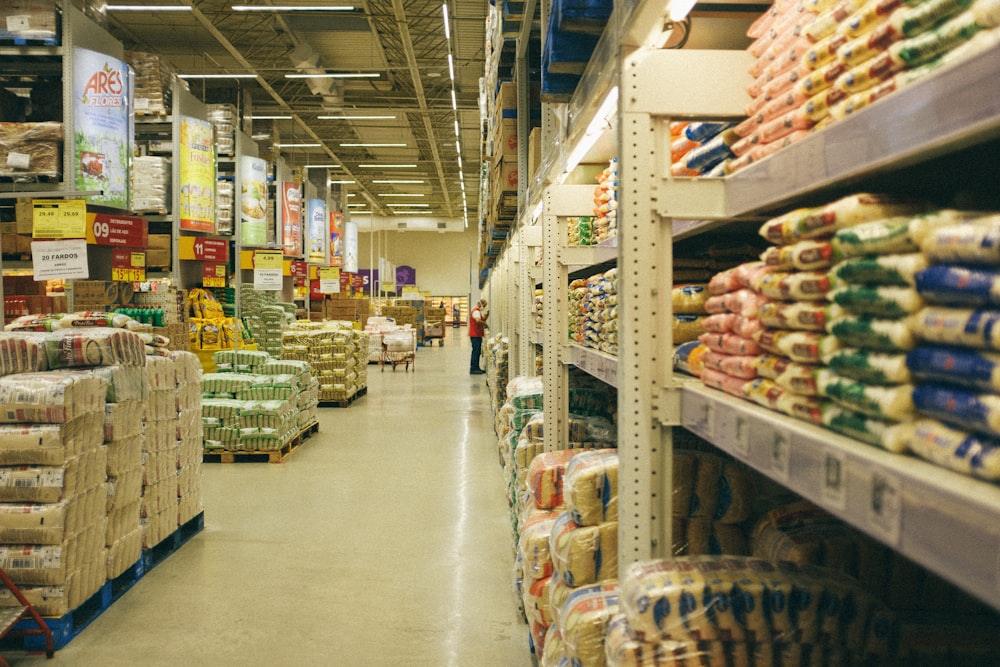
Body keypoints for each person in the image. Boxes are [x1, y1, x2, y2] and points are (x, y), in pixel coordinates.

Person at [469, 298, 488, 375]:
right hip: (475, 335)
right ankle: (474, 368)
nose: (483, 307)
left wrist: (487, 316)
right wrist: (486, 325)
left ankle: (476, 367)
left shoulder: (477, 311)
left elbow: (482, 320)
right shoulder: (476, 311)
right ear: (480, 304)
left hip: (477, 334)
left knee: (477, 351)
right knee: (476, 351)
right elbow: (478, 321)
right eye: (484, 305)